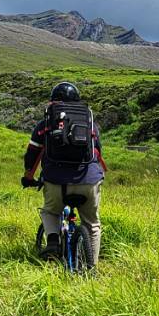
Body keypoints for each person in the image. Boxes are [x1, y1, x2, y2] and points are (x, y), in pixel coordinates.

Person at [21, 81, 105, 263]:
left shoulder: (46, 123)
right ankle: (92, 269)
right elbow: (97, 153)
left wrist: (28, 176)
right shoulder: (90, 123)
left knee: (50, 212)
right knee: (92, 225)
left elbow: (32, 154)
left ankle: (52, 241)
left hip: (55, 180)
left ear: (53, 102)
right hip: (88, 179)